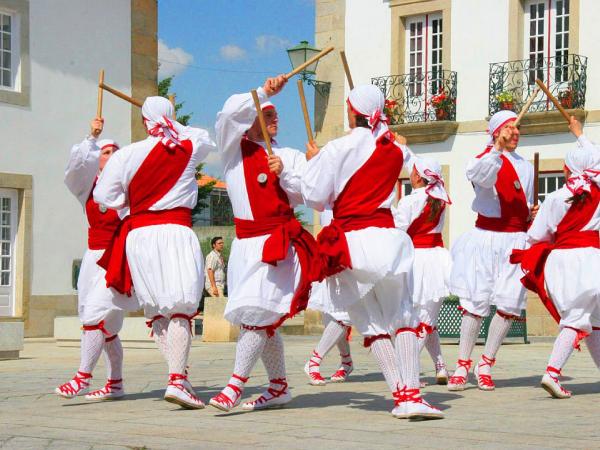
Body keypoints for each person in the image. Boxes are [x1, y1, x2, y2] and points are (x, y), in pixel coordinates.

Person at [302, 84, 443, 419]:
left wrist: (314, 161)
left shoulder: (338, 148)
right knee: (403, 315)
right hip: (386, 239)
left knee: (370, 321)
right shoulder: (394, 149)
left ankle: (402, 394)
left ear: (353, 111)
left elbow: (315, 196)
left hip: (353, 242)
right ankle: (411, 394)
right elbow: (412, 159)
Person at [94, 97, 216, 409]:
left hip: (139, 235)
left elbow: (103, 195)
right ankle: (177, 379)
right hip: (175, 230)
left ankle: (180, 377)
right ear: (170, 117)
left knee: (159, 310)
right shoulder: (186, 148)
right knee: (180, 307)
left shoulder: (126, 155)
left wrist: (131, 202)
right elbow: (205, 138)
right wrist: (174, 124)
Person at [209, 76, 321, 412]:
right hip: (244, 246)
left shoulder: (287, 155)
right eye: (267, 116)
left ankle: (234, 386)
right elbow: (228, 115)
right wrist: (263, 92)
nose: (275, 121)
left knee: (258, 314)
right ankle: (279, 386)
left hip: (276, 245)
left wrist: (285, 172)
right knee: (258, 319)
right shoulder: (233, 152)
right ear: (251, 121)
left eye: (275, 116)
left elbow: (310, 194)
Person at [448, 110, 538, 391]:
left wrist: (531, 214)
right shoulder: (483, 159)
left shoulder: (526, 166)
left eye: (517, 127)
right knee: (476, 303)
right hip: (487, 238)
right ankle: (462, 363)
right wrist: (496, 148)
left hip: (515, 240)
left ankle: (486, 362)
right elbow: (481, 178)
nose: (515, 132)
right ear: (497, 132)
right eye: (509, 127)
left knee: (510, 304)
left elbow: (526, 201)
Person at [511, 117, 600, 398]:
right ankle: (552, 372)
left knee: (594, 318)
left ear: (567, 168)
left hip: (561, 262)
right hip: (588, 260)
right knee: (578, 318)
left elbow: (536, 237)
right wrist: (581, 136)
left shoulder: (555, 197)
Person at [56, 117, 139, 400]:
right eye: (106, 152)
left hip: (116, 259)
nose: (111, 155)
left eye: (115, 152)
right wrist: (91, 139)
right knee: (104, 327)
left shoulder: (128, 189)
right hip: (93, 259)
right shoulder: (87, 189)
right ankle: (115, 383)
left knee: (95, 318)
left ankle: (83, 377)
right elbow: (74, 170)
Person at [393, 156, 451, 385]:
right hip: (437, 258)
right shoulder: (442, 198)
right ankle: (441, 366)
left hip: (416, 259)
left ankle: (406, 369)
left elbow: (398, 232)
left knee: (421, 319)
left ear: (417, 175)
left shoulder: (410, 201)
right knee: (428, 317)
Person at [304, 209, 354, 386]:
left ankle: (314, 361)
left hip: (347, 257)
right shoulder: (325, 203)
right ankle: (346, 361)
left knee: (343, 316)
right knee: (331, 316)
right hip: (328, 258)